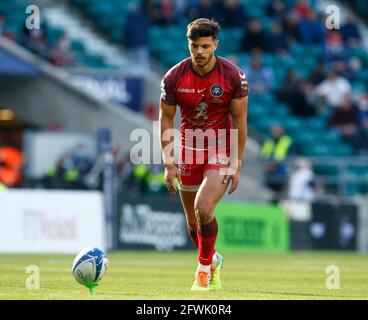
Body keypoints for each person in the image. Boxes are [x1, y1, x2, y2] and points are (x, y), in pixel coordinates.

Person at [159, 18, 248, 291]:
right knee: (193, 223)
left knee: (204, 207)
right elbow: (166, 119)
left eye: (205, 46)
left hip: (219, 147)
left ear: (215, 45)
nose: (199, 52)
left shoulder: (233, 76)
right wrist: (169, 163)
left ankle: (202, 272)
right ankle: (214, 260)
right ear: (189, 44)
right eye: (194, 46)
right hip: (189, 149)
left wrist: (236, 162)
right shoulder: (174, 77)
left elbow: (240, 121)